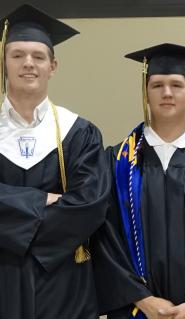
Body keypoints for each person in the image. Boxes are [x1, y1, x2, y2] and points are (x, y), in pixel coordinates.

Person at [92, 43, 185, 319]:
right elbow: (106, 238)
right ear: (146, 93)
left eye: (176, 85)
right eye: (157, 85)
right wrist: (144, 300)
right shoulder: (117, 162)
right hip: (137, 310)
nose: (167, 93)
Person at [0, 4, 109, 319]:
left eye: (38, 56)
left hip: (63, 281)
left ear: (53, 66)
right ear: (3, 62)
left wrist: (15, 232)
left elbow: (90, 205)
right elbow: (71, 204)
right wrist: (41, 200)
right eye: (17, 55)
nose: (28, 64)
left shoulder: (81, 132)